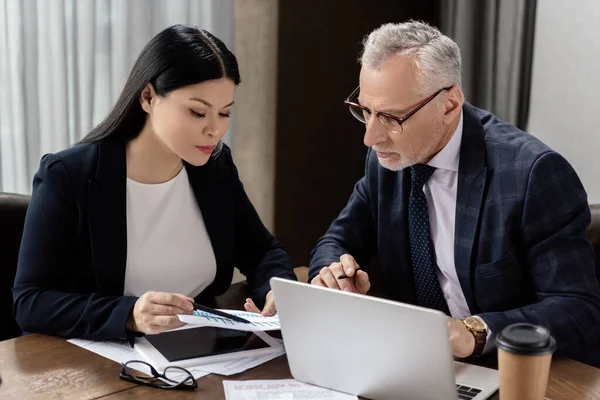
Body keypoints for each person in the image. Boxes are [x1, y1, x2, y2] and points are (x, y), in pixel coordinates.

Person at [309, 21, 600, 367]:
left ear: (448, 105)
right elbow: (337, 240)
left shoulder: (532, 175)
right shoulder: (388, 160)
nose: (370, 138)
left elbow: (578, 309)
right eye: (365, 111)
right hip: (419, 364)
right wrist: (333, 271)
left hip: (515, 372)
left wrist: (474, 332)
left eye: (390, 117)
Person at [13, 25, 296, 342]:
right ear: (148, 97)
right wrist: (130, 315)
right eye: (197, 112)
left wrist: (276, 291)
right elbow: (30, 302)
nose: (214, 130)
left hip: (196, 352)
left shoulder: (214, 167)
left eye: (224, 113)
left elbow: (262, 252)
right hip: (97, 361)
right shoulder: (69, 175)